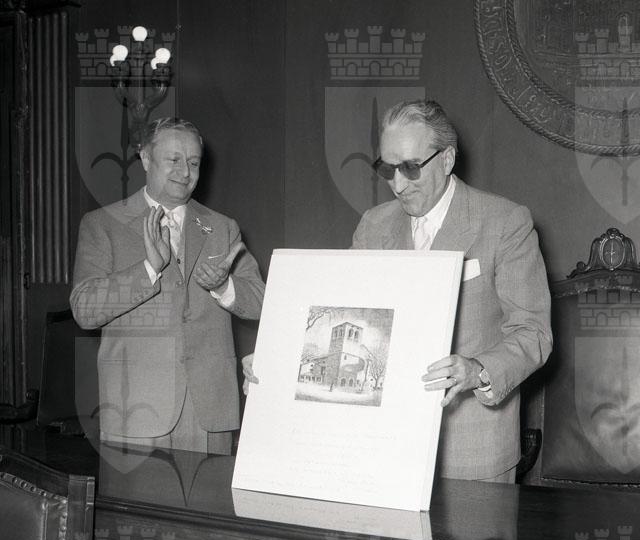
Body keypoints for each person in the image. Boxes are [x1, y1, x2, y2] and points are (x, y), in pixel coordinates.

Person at [244, 99, 552, 483]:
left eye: (410, 168)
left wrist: (478, 370)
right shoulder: (373, 225)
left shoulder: (504, 222)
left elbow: (533, 332)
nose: (398, 184)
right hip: (384, 449)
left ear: (447, 159)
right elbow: (341, 314)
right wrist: (277, 358)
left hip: (471, 449)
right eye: (387, 169)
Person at [71, 117, 265, 454]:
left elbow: (262, 301)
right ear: (146, 158)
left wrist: (225, 287)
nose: (185, 172)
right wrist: (149, 269)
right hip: (136, 411)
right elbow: (84, 309)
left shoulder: (222, 227)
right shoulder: (102, 225)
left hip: (209, 412)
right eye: (173, 160)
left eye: (194, 163)